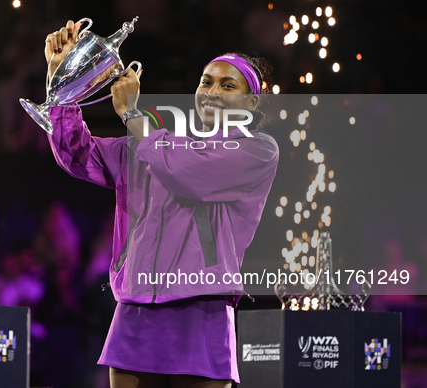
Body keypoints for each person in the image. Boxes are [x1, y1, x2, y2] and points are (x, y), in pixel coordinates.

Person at [39, 20, 279, 388]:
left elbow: (189, 171)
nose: (212, 91)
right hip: (136, 307)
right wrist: (63, 80)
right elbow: (78, 155)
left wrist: (133, 117)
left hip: (201, 310)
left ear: (250, 103)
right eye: (206, 81)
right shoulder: (152, 145)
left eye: (227, 85)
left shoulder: (257, 149)